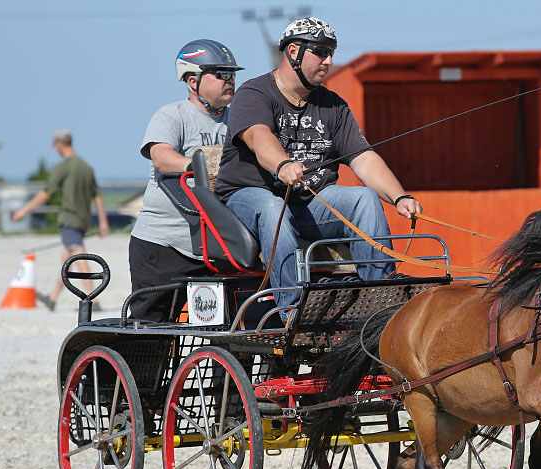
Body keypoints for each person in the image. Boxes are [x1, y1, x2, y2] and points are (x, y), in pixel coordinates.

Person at [214, 16, 422, 310]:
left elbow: (363, 157)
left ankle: (380, 301)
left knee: (364, 198)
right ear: (294, 51)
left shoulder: (333, 105)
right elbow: (259, 137)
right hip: (250, 200)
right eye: (321, 52)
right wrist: (283, 164)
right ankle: (292, 309)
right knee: (274, 208)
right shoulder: (254, 92)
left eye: (332, 53)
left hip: (308, 203)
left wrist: (399, 196)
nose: (329, 61)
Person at [128, 39, 244, 322]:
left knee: (221, 328)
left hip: (213, 248)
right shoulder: (173, 115)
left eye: (232, 74)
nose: (229, 81)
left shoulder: (238, 121)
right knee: (151, 328)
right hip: (163, 245)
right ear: (193, 81)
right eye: (221, 74)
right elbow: (161, 156)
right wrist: (197, 165)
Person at [12, 130, 109, 311]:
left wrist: (23, 211)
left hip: (69, 219)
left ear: (58, 145)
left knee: (78, 254)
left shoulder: (63, 167)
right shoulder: (86, 167)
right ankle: (53, 298)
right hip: (83, 220)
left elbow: (46, 193)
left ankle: (93, 300)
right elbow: (98, 196)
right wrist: (103, 223)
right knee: (67, 259)